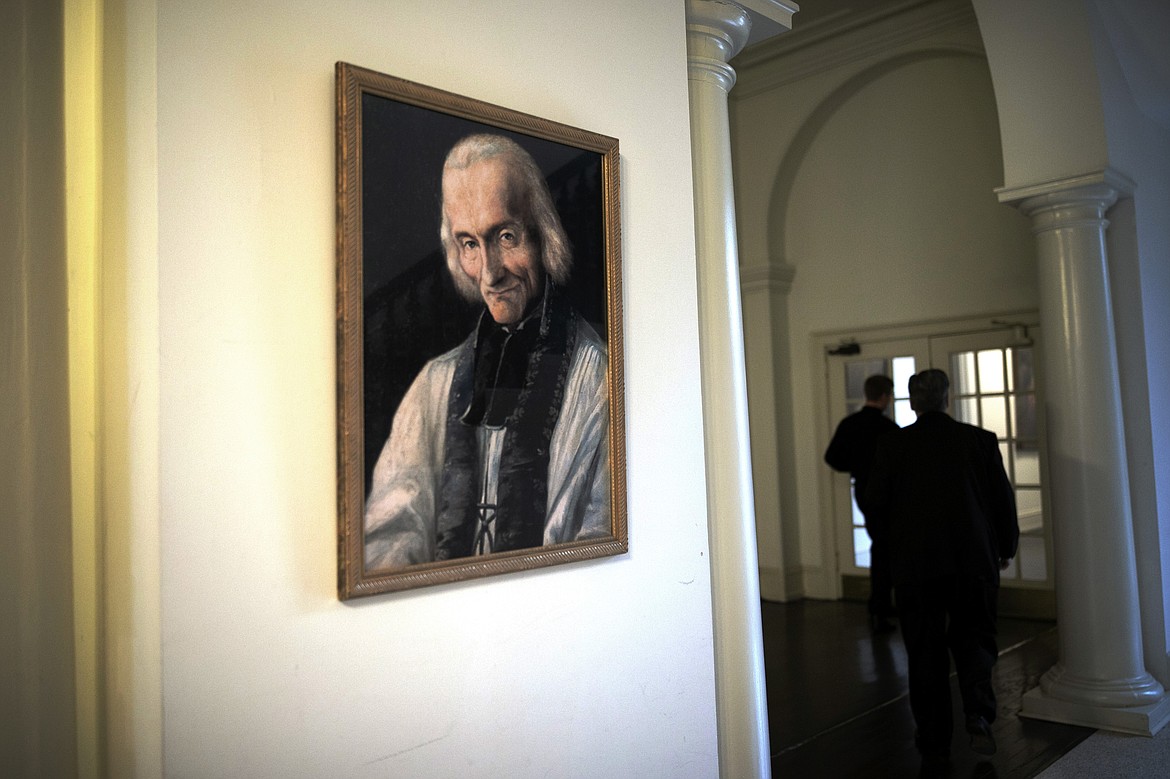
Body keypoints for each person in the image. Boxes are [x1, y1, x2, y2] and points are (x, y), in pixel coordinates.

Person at [363, 134, 611, 570]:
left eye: (506, 236)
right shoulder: (433, 385)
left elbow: (603, 537)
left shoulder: (600, 379)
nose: (491, 273)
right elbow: (389, 536)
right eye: (470, 244)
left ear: (542, 234)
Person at [865, 369, 1019, 766]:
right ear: (947, 398)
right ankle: (978, 713)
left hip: (916, 567)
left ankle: (933, 738)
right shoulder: (978, 441)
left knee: (924, 651)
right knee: (976, 640)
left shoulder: (892, 447)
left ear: (913, 403)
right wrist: (1004, 547)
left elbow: (875, 505)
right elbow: (1001, 501)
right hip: (972, 561)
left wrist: (889, 548)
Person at [824, 374, 899, 633]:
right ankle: (880, 605)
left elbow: (832, 457)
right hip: (887, 493)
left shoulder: (850, 424)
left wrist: (856, 467)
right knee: (884, 548)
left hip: (863, 490)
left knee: (881, 545)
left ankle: (879, 604)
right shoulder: (889, 428)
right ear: (885, 396)